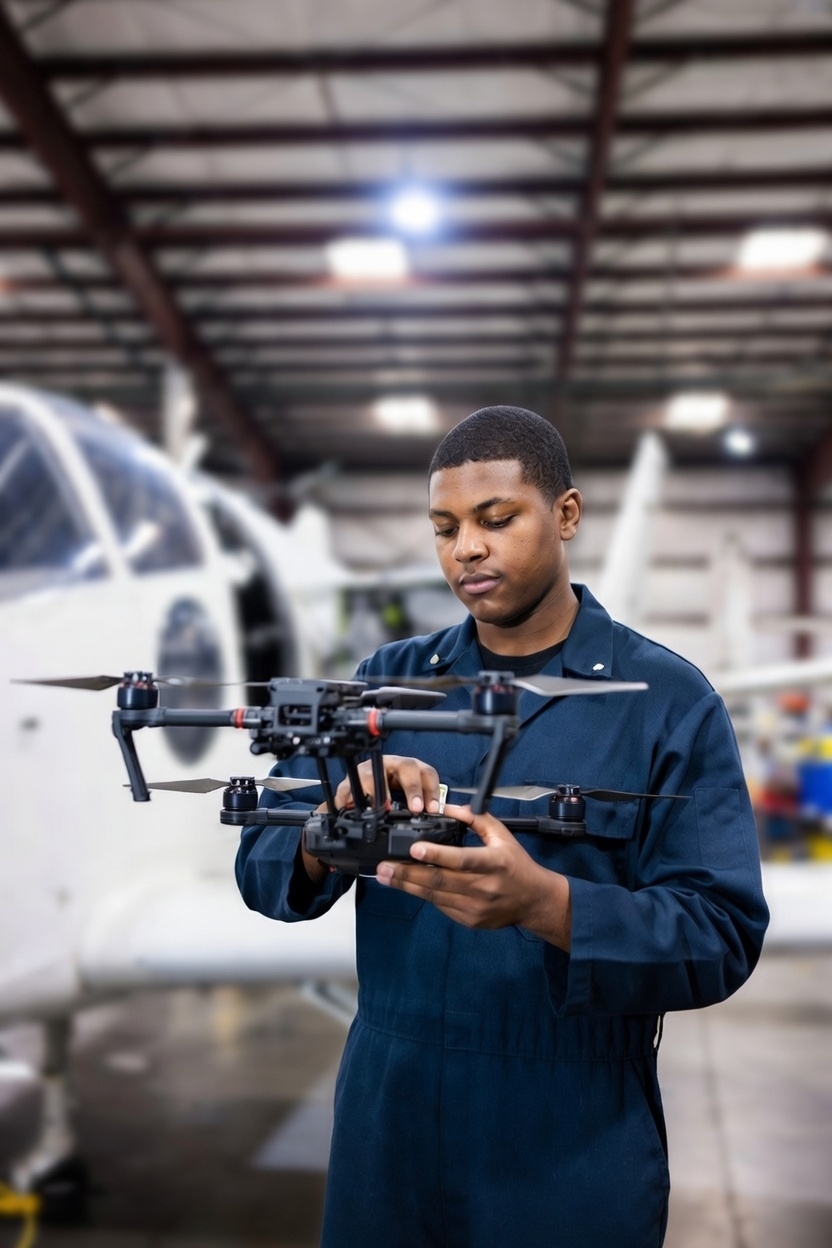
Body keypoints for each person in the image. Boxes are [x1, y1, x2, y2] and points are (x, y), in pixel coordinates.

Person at [236, 406, 769, 1248]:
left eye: (496, 520)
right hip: (388, 1109)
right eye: (444, 529)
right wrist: (327, 824)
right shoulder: (385, 683)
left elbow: (722, 933)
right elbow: (263, 858)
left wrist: (545, 905)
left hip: (567, 1129)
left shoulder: (666, 701)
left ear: (565, 515)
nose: (466, 550)